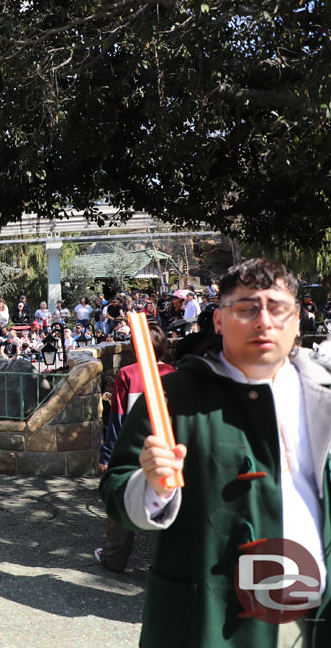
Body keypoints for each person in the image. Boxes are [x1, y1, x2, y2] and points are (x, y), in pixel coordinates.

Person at [100, 259, 331, 646]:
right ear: (220, 320)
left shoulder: (323, 397)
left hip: (313, 619)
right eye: (246, 308)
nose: (263, 321)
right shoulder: (172, 399)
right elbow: (115, 492)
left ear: (296, 319)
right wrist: (151, 485)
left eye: (277, 308)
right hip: (211, 620)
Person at [94, 321, 174, 573]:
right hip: (165, 451)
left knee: (123, 503)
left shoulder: (128, 374)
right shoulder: (174, 374)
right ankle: (164, 564)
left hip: (132, 451)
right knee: (168, 505)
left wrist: (107, 455)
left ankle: (114, 558)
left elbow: (116, 419)